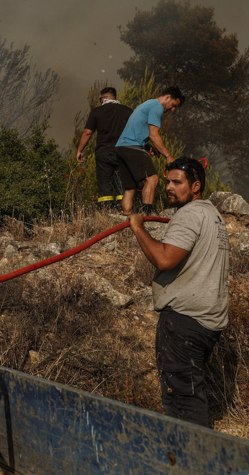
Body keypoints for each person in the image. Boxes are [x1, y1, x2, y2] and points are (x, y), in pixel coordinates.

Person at [126, 157, 229, 427]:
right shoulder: (213, 215)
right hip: (207, 323)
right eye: (168, 181)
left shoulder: (190, 214)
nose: (169, 187)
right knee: (190, 392)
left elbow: (165, 259)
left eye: (177, 182)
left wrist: (138, 228)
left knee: (183, 404)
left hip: (184, 322)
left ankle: (193, 462)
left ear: (196, 186)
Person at [114, 86, 183, 215]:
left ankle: (126, 216)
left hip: (121, 148)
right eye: (173, 105)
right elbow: (154, 135)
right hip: (132, 148)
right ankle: (146, 216)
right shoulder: (156, 107)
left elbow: (136, 131)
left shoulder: (148, 104)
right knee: (152, 178)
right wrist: (168, 156)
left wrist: (150, 148)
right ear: (167, 97)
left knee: (130, 187)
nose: (172, 109)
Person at [76, 86, 133, 211]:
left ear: (105, 98)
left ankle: (106, 212)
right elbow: (137, 132)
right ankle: (122, 211)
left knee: (104, 184)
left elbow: (87, 132)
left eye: (100, 99)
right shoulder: (128, 111)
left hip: (104, 153)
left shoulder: (97, 111)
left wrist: (80, 150)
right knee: (122, 185)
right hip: (123, 153)